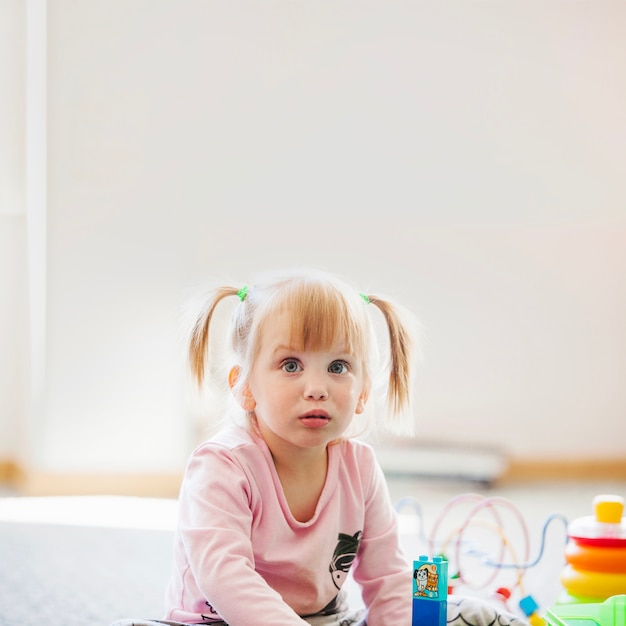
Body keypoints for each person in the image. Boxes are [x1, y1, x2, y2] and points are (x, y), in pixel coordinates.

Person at [113, 268, 528, 626]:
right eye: (290, 366)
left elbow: (390, 577)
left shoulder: (360, 466)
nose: (316, 388)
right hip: (223, 619)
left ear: (363, 391)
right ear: (244, 385)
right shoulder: (222, 465)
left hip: (328, 618)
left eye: (338, 367)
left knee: (465, 610)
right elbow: (224, 577)